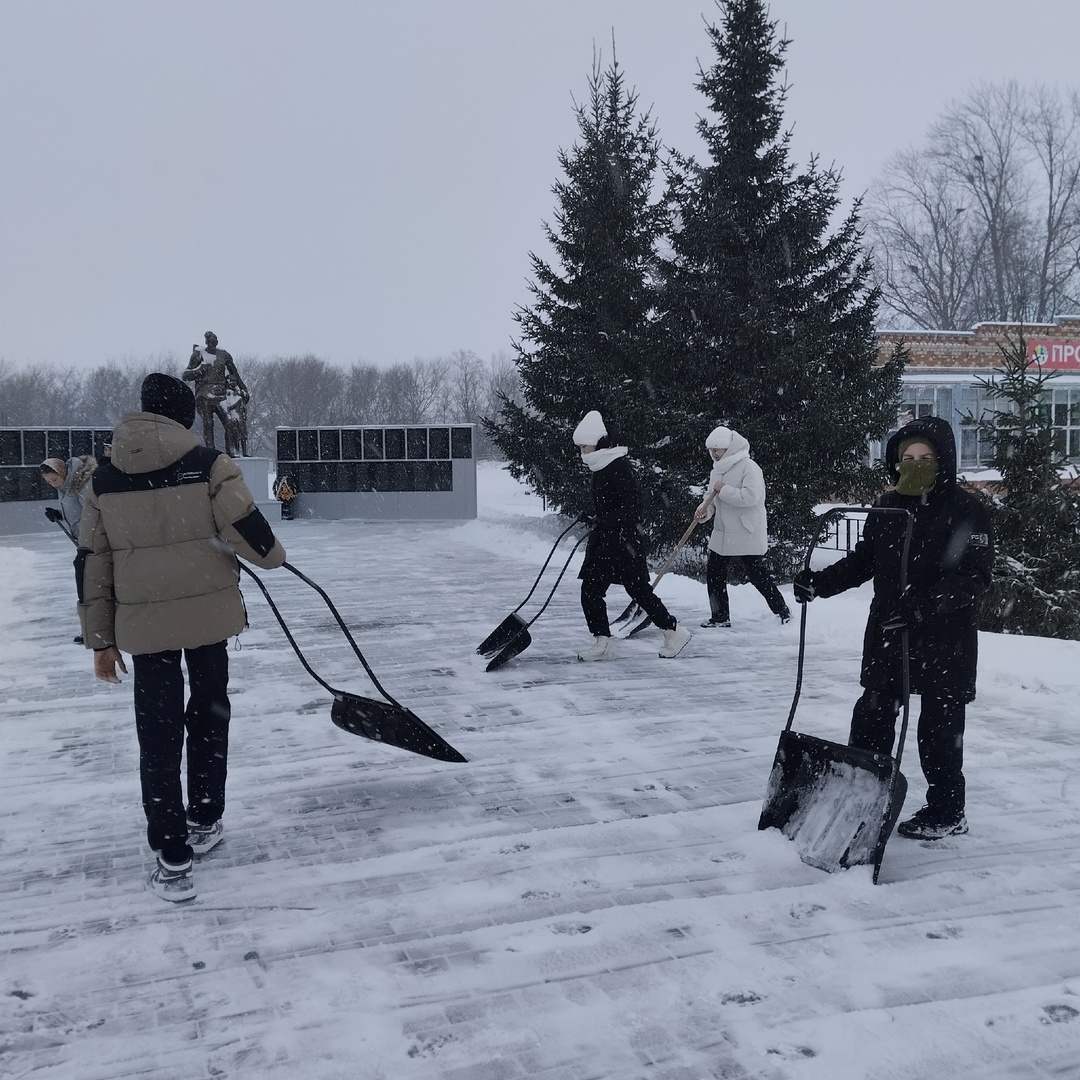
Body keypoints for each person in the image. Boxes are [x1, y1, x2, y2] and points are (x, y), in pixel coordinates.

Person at [77, 373, 286, 902]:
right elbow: (250, 532)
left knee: (158, 733)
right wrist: (274, 557)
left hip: (146, 632)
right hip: (208, 622)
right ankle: (205, 817)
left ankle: (172, 852)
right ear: (182, 417)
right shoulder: (209, 465)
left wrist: (100, 639)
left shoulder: (101, 480)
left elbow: (91, 564)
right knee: (209, 713)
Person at [793, 416, 993, 841]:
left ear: (944, 461)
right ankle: (863, 795)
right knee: (871, 713)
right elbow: (865, 559)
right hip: (890, 630)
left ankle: (946, 809)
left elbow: (974, 578)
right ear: (895, 461)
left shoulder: (967, 510)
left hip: (943, 637)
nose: (916, 464)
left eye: (925, 457)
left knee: (939, 729)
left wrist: (925, 605)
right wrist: (821, 582)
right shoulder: (887, 505)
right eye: (907, 457)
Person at [573, 410, 692, 661]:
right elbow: (610, 504)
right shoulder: (600, 465)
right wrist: (594, 516)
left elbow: (633, 506)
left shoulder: (617, 465)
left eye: (583, 446)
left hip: (625, 541)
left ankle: (673, 631)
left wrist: (605, 519)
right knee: (591, 590)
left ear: (598, 442)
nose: (581, 452)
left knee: (638, 590)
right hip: (605, 541)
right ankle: (602, 642)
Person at [692, 426, 791, 628]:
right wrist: (704, 511)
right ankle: (720, 617)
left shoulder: (749, 467)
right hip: (722, 531)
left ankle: (783, 611)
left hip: (745, 531)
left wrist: (725, 489)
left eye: (717, 450)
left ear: (728, 449)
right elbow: (711, 499)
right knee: (714, 574)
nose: (713, 454)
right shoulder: (717, 470)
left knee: (758, 575)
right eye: (711, 450)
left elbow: (750, 497)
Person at [41, 454, 98, 644]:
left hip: (94, 544)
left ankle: (95, 629)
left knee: (90, 587)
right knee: (87, 587)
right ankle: (92, 629)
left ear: (62, 472)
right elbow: (77, 515)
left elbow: (93, 515)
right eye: (49, 482)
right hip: (84, 543)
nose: (53, 484)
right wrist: (59, 515)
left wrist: (89, 544)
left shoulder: (82, 484)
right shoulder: (66, 486)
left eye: (54, 480)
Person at [183, 331, 248, 452]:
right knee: (208, 422)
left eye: (213, 342)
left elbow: (234, 373)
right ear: (206, 343)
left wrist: (243, 388)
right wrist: (200, 370)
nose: (211, 345)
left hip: (220, 394)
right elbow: (186, 375)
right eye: (209, 343)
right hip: (204, 394)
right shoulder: (198, 354)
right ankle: (210, 450)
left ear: (216, 342)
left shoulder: (223, 355)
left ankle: (231, 451)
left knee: (229, 422)